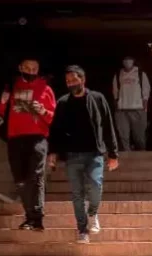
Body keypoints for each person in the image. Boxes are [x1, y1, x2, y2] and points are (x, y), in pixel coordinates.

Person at [48, 66, 120, 244]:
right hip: (72, 155)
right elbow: (55, 130)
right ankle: (82, 230)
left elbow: (108, 126)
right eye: (68, 81)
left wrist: (113, 154)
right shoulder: (63, 103)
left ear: (83, 79)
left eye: (74, 80)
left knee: (96, 185)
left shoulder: (97, 98)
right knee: (77, 194)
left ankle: (93, 213)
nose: (71, 84)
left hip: (94, 153)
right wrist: (53, 152)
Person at [0, 58, 57, 231]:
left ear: (38, 70)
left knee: (36, 177)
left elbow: (53, 118)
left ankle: (36, 218)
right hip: (15, 138)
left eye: (34, 69)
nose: (30, 71)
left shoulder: (46, 89)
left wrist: (43, 111)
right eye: (27, 68)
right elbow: (1, 111)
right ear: (20, 68)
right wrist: (3, 100)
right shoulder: (12, 86)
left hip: (37, 138)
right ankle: (30, 216)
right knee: (20, 180)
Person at [112, 55, 151, 152]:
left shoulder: (141, 74)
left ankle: (141, 159)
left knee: (139, 138)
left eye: (129, 59)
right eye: (125, 59)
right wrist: (117, 104)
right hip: (122, 111)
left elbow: (146, 90)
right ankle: (127, 161)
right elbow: (115, 91)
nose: (127, 61)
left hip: (137, 109)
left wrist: (145, 106)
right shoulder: (118, 74)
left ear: (133, 60)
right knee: (123, 137)